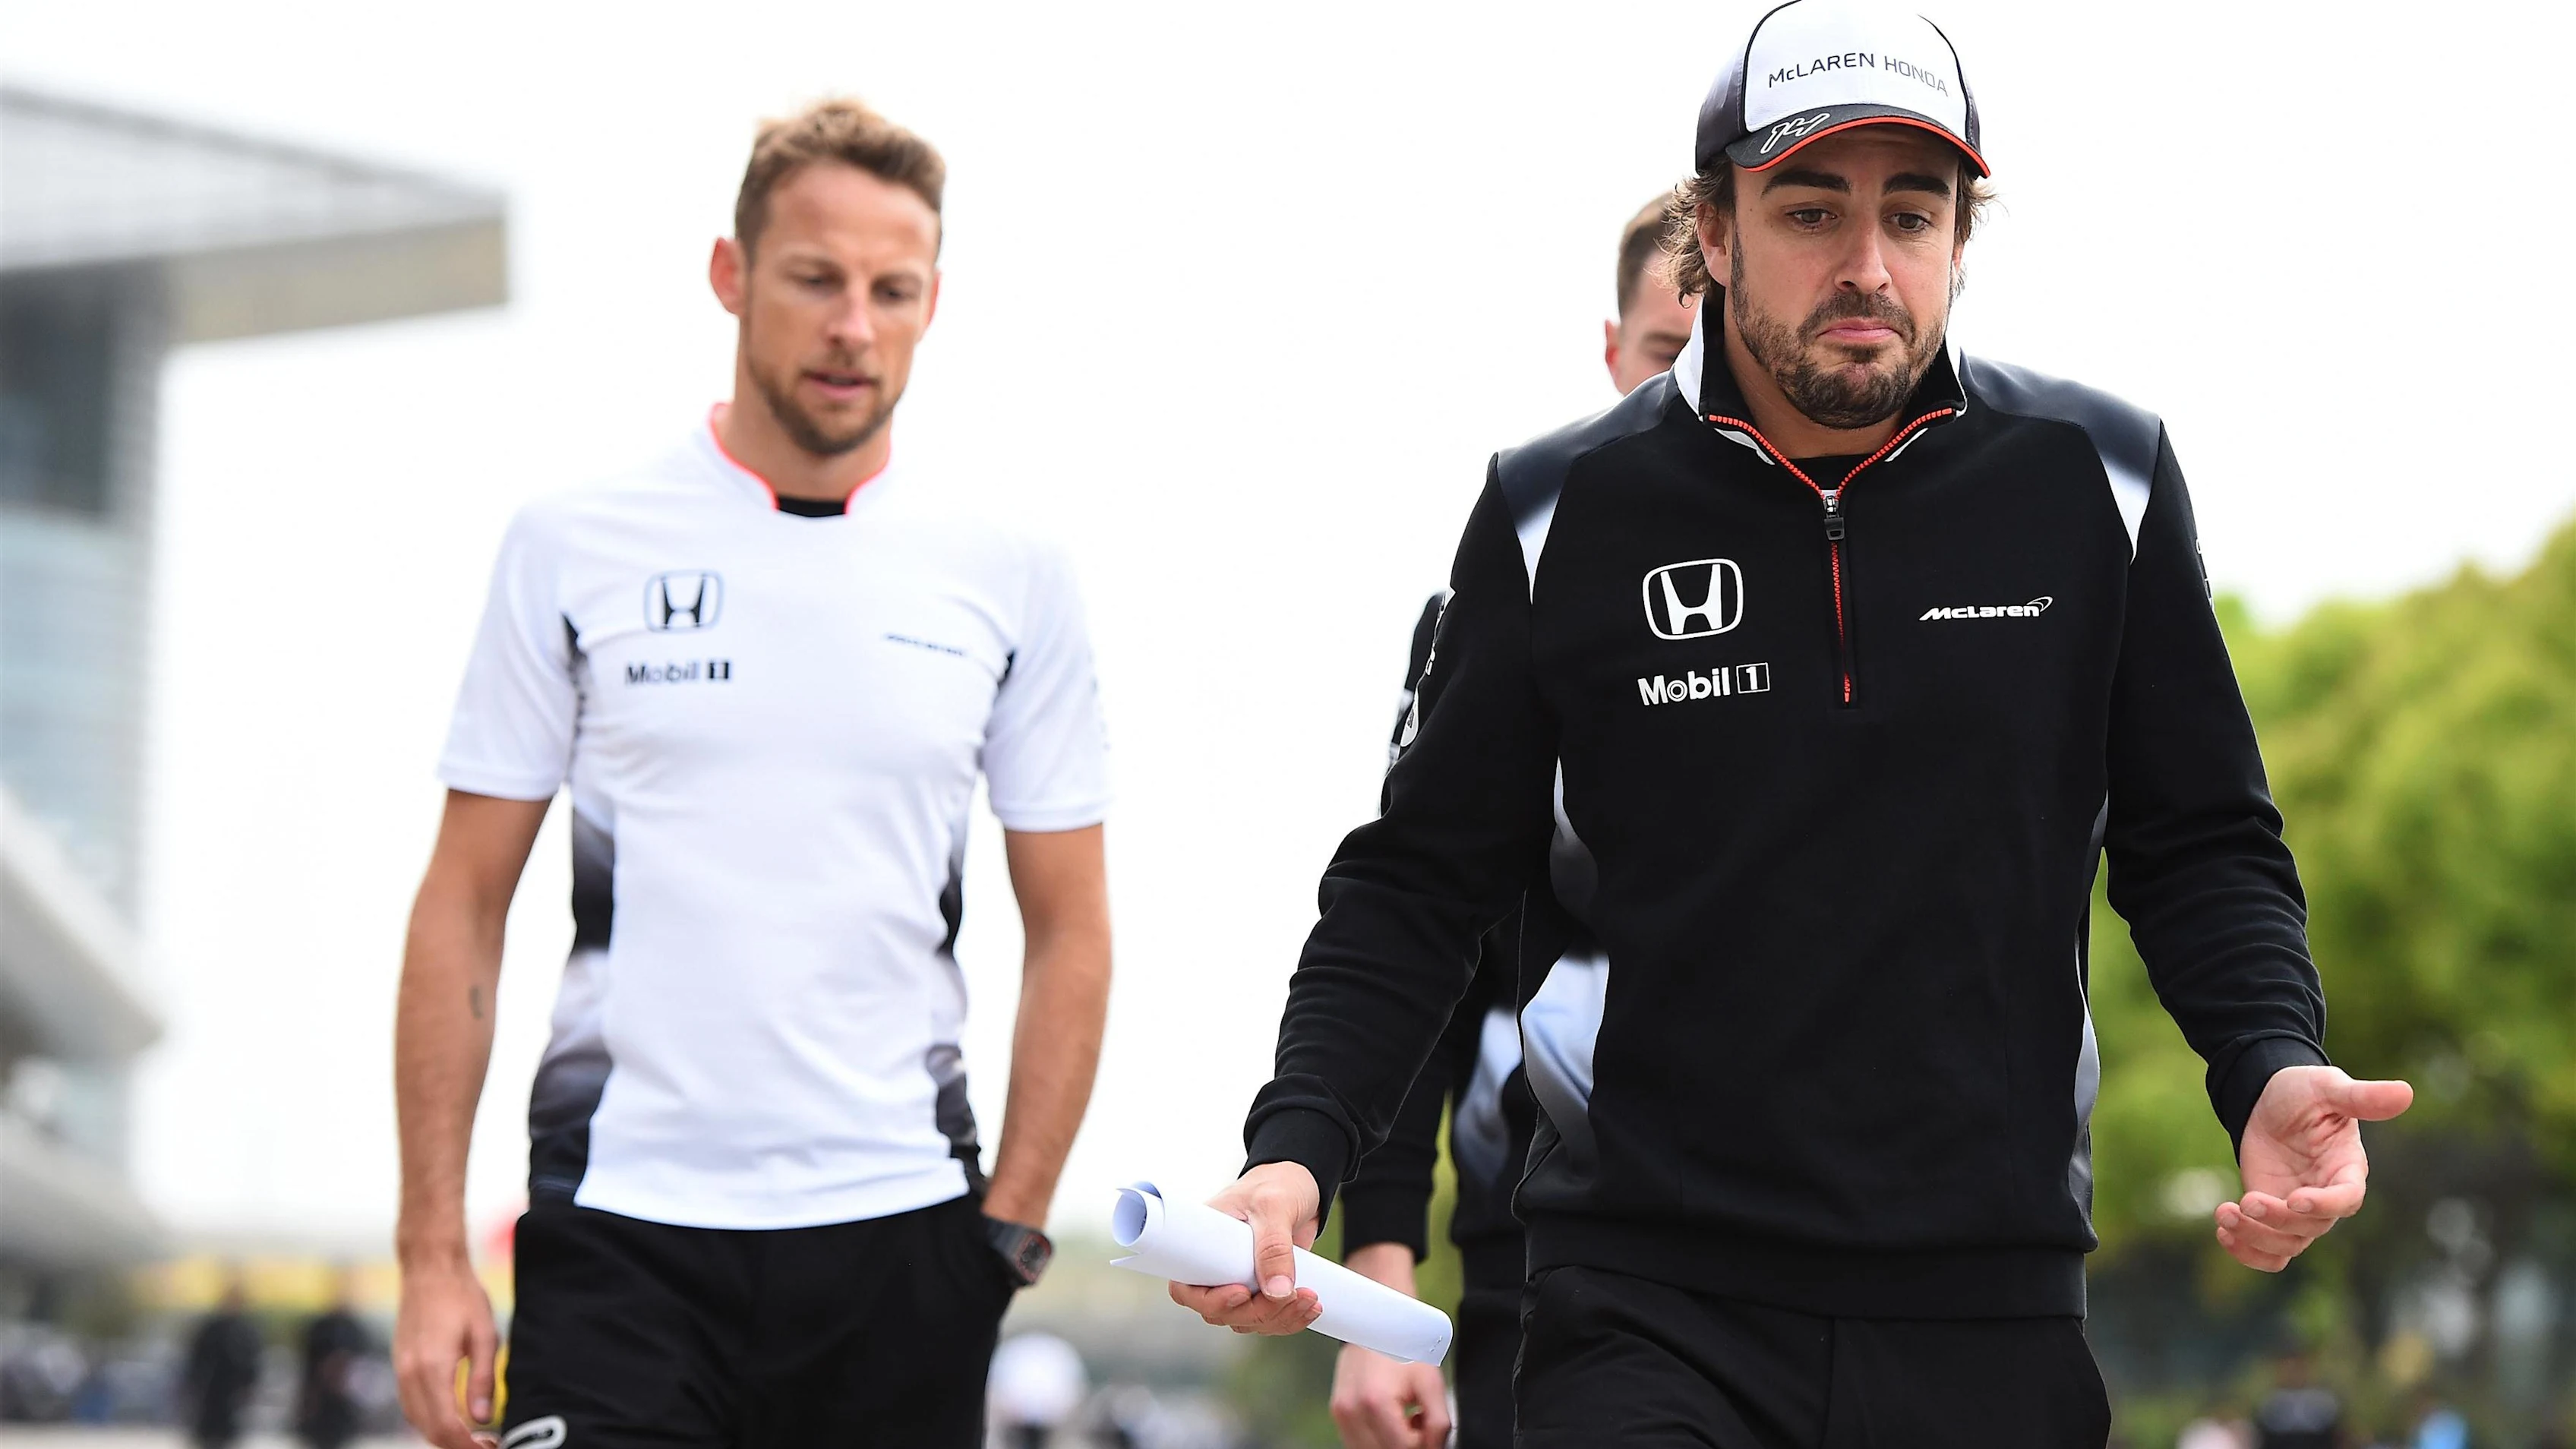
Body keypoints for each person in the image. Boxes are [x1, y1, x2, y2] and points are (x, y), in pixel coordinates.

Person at [1174, 2, 2415, 1443]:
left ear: (1963, 233)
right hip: (1649, 1296)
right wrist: (1296, 1153)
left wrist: (2265, 1056)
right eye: (1810, 208)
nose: (1868, 264)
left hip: (1989, 1300)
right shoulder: (1552, 505)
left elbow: (2198, 839)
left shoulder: (2102, 480)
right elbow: (1415, 882)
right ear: (1712, 227)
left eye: (1914, 210)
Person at [390, 98, 1114, 1449]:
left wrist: (1009, 1221)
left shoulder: (1009, 575)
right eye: (815, 279)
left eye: (892, 290)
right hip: (619, 1232)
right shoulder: (572, 545)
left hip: (901, 1242)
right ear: (732, 276)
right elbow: (462, 903)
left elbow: (1071, 923)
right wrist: (432, 1249)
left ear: (931, 303)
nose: (854, 324)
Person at [1327, 194, 1697, 1449]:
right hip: (1541, 1252)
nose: (1704, 387)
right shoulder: (1506, 599)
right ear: (1611, 353)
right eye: (1667, 352)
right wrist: (1378, 1267)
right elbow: (1418, 926)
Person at [294, 1270, 372, 1449]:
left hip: (344, 1406)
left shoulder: (356, 1330)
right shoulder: (320, 1327)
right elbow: (307, 1365)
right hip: (321, 1405)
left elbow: (364, 1368)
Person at [180, 1280, 262, 1449]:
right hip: (210, 1392)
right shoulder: (211, 1328)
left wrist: (249, 1387)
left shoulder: (246, 1331)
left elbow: (253, 1363)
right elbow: (197, 1360)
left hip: (232, 1394)